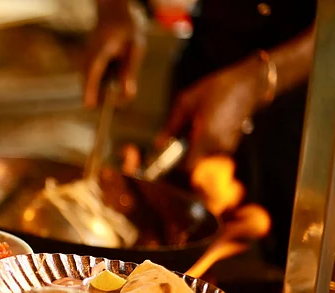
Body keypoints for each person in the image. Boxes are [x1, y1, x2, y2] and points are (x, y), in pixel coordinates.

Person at [83, 0, 316, 266]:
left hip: (305, 116)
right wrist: (114, 8)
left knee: (282, 264)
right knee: (174, 240)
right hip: (206, 62)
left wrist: (258, 81)